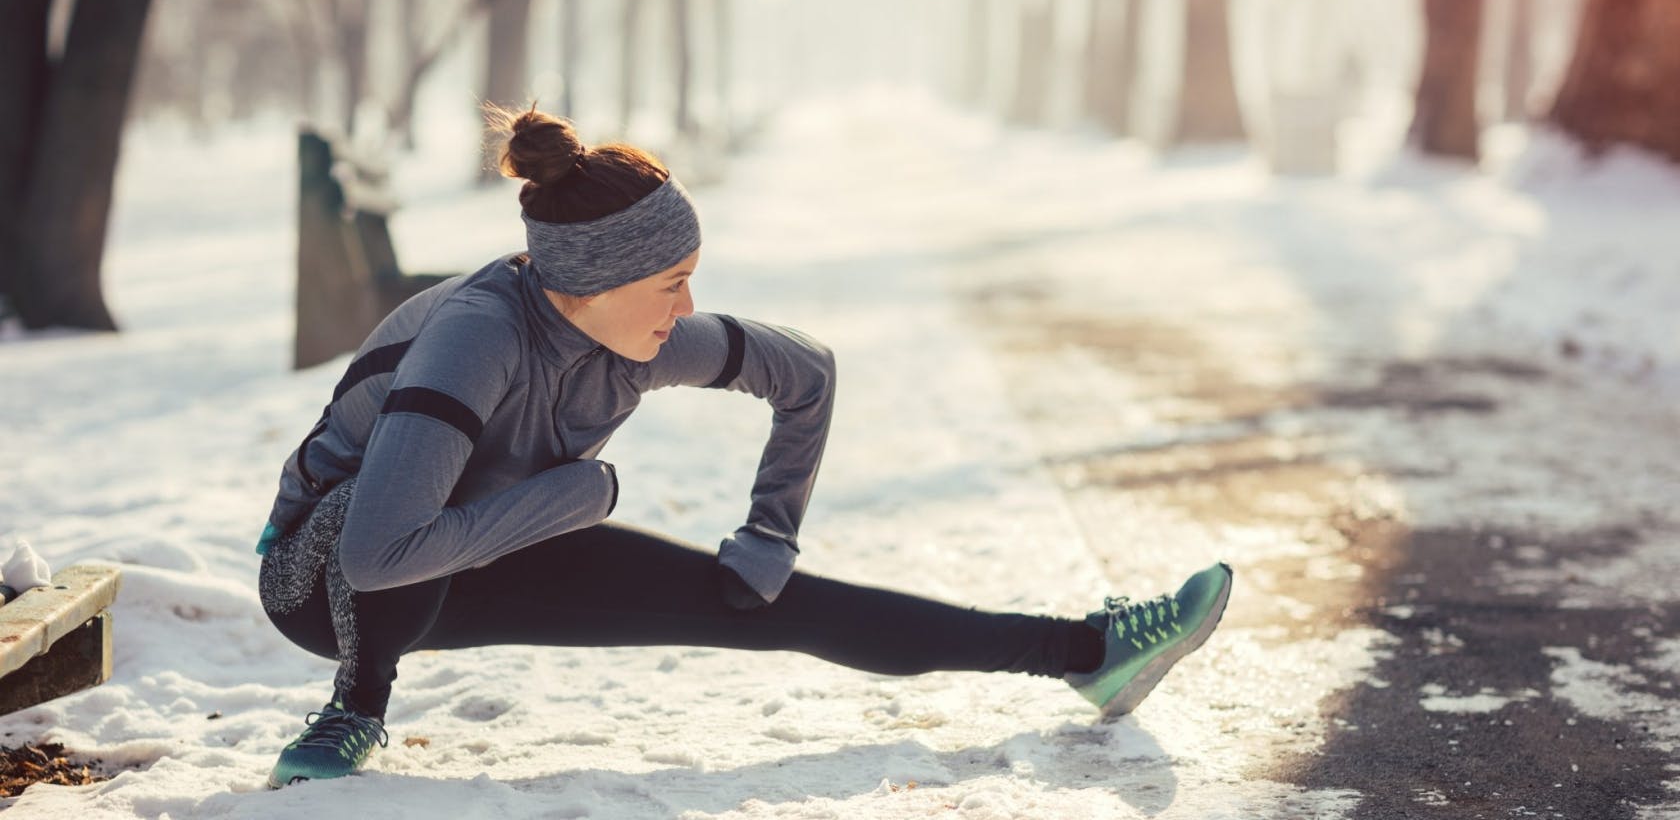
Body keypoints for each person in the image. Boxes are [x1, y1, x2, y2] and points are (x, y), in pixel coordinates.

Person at [254, 103, 1233, 788]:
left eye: (693, 277)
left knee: (768, 605)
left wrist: (770, 534)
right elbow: (377, 547)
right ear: (590, 282)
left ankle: (1083, 650)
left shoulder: (631, 333)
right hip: (327, 579)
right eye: (670, 281)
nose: (687, 307)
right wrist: (579, 495)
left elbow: (805, 372)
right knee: (389, 516)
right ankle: (357, 705)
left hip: (481, 540)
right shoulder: (475, 339)